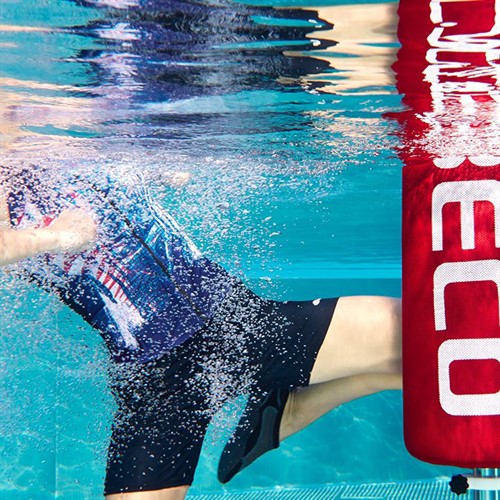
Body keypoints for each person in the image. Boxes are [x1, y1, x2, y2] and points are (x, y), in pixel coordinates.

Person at [0, 166, 402, 500]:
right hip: (156, 380)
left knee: (422, 343)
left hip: (238, 323)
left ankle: (292, 406)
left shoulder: (74, 123)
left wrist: (150, 172)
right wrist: (56, 238)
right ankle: (288, 406)